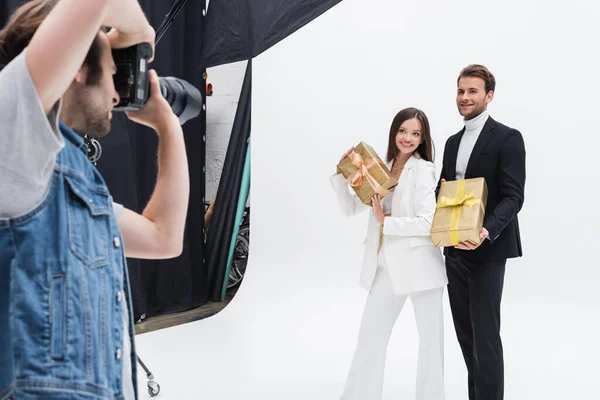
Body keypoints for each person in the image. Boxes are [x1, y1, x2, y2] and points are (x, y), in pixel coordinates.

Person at [0, 0, 190, 399]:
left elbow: (164, 237)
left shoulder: (71, 183)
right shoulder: (13, 137)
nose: (117, 98)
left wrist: (168, 127)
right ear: (73, 71)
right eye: (110, 74)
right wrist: (137, 34)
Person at [330, 108, 448, 400]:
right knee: (370, 338)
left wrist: (388, 222)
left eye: (415, 134)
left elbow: (427, 222)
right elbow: (350, 209)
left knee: (431, 343)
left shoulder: (424, 170)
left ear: (422, 139)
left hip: (421, 267)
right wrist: (342, 173)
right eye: (403, 131)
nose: (408, 138)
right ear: (394, 132)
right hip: (385, 266)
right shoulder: (380, 167)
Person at [436, 64, 526, 400]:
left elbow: (514, 196)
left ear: (489, 95)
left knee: (486, 335)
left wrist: (486, 230)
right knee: (466, 335)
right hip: (454, 251)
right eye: (461, 91)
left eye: (472, 91)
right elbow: (443, 193)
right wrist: (441, 192)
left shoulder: (507, 138)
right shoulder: (451, 142)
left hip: (487, 250)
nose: (465, 97)